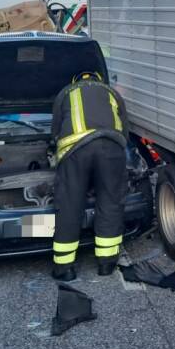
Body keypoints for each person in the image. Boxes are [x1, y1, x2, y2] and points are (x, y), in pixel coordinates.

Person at [50, 71, 130, 281]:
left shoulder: (65, 92)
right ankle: (106, 263)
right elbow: (125, 127)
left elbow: (55, 129)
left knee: (70, 204)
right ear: (98, 80)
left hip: (76, 151)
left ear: (75, 81)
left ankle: (64, 268)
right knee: (111, 202)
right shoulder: (111, 92)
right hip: (112, 149)